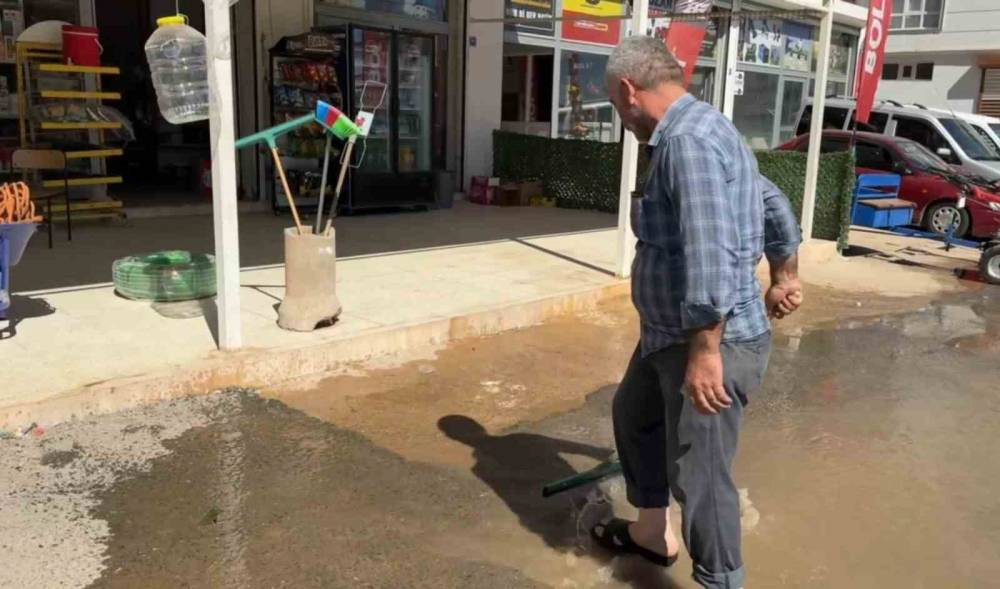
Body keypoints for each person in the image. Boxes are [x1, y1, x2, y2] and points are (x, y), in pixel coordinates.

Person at [590, 36, 802, 589]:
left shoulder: (686, 142)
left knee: (702, 475)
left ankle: (719, 580)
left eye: (616, 105)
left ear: (629, 90)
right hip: (667, 335)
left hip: (706, 341)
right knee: (634, 414)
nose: (622, 117)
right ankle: (653, 535)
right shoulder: (709, 126)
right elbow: (772, 200)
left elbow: (709, 252)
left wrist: (706, 352)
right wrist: (785, 274)